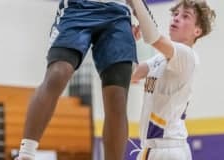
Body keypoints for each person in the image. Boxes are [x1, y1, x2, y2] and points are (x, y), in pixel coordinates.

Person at [15, 0, 138, 160]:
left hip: (118, 13)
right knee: (58, 73)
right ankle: (26, 154)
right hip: (78, 8)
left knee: (117, 97)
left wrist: (139, 16)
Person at [130, 0, 216, 159]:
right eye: (175, 14)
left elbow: (153, 37)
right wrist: (129, 42)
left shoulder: (187, 56)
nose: (176, 18)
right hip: (151, 149)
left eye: (185, 16)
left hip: (168, 150)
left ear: (197, 31)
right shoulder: (160, 59)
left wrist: (136, 4)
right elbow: (132, 74)